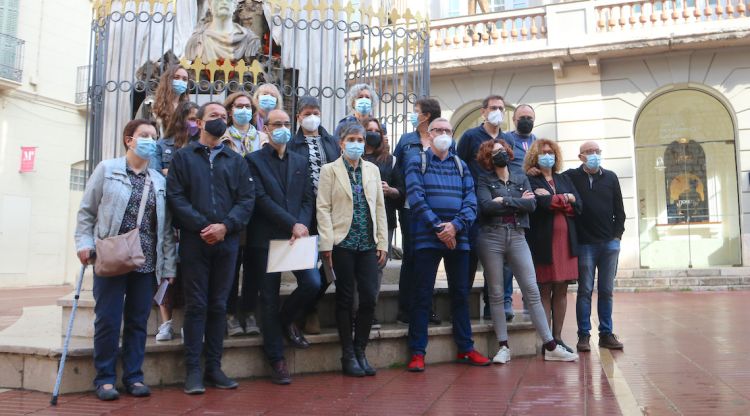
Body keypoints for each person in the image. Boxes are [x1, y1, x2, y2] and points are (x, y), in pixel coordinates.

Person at [75, 119, 177, 401]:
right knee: (107, 319)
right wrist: (84, 244)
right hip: (110, 256)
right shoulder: (107, 170)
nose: (150, 140)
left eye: (153, 136)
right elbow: (86, 212)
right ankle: (105, 378)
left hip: (145, 261)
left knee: (138, 321)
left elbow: (166, 229)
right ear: (128, 140)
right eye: (143, 135)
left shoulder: (158, 180)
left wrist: (168, 267)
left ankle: (133, 376)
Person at [167, 101, 255, 394]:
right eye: (213, 116)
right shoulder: (183, 157)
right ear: (200, 122)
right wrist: (203, 226)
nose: (220, 119)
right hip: (195, 242)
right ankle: (192, 371)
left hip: (227, 243)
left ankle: (214, 367)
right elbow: (176, 197)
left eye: (223, 116)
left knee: (219, 305)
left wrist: (225, 227)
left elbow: (246, 199)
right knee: (196, 306)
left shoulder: (236, 160)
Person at [474, 139, 578, 364]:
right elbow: (486, 206)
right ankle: (503, 346)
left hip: (518, 234)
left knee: (531, 288)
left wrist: (504, 200)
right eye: (494, 153)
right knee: (496, 291)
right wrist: (517, 201)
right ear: (487, 158)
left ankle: (550, 345)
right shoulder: (483, 179)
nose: (500, 155)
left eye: (502, 151)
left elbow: (531, 206)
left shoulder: (521, 177)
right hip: (491, 236)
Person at [404, 117, 490, 372]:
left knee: (461, 294)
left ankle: (466, 348)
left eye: (447, 130)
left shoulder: (461, 165)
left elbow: (471, 202)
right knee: (422, 295)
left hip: (459, 239)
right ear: (429, 135)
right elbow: (416, 198)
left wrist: (455, 226)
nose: (443, 133)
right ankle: (417, 352)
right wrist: (440, 227)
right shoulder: (416, 161)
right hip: (427, 239)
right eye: (438, 130)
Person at [246, 109, 321, 385]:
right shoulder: (253, 160)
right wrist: (293, 224)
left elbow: (307, 199)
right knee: (268, 296)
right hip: (267, 238)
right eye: (277, 124)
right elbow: (260, 199)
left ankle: (284, 320)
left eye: (287, 124)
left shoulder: (300, 160)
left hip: (296, 238)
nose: (283, 128)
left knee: (312, 283)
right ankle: (276, 358)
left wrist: (300, 226)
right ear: (266, 128)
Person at [317, 122, 388, 377]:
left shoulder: (372, 170)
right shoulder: (330, 171)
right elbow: (323, 207)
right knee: (346, 298)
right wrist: (326, 243)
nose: (357, 143)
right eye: (352, 139)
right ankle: (347, 354)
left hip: (368, 243)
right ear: (341, 143)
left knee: (369, 297)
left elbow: (379, 206)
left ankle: (361, 349)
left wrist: (382, 241)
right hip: (342, 242)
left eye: (360, 139)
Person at [564, 141, 626, 352]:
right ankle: (583, 336)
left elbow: (620, 210)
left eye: (597, 152)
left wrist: (617, 237)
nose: (594, 155)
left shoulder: (610, 177)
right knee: (585, 291)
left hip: (609, 244)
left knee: (607, 291)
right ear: (580, 156)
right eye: (589, 152)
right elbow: (550, 176)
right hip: (585, 245)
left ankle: (606, 334)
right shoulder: (571, 176)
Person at [287, 95, 341, 335]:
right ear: (298, 117)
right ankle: (304, 312)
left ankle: (312, 305)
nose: (312, 117)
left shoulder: (331, 141)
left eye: (315, 113)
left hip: (330, 212)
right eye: (307, 113)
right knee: (307, 268)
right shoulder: (291, 144)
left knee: (331, 265)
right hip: (304, 214)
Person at [456, 95, 511, 321]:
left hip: (500, 209)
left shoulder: (508, 139)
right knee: (468, 259)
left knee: (498, 261)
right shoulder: (470, 136)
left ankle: (494, 306)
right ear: (483, 112)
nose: (497, 111)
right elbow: (458, 165)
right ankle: (462, 309)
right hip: (474, 208)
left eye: (501, 108)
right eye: (493, 108)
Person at [525, 139, 582, 353]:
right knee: (544, 288)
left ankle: (558, 338)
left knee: (562, 290)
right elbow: (540, 205)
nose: (548, 155)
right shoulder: (531, 179)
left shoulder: (564, 178)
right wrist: (565, 200)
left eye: (551, 152)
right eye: (543, 152)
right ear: (535, 156)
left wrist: (557, 199)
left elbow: (579, 205)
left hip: (567, 242)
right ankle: (546, 340)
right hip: (543, 242)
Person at [150, 101, 199, 343]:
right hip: (167, 212)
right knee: (166, 269)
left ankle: (187, 322)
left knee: (190, 271)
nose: (194, 123)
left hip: (192, 212)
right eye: (190, 118)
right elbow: (156, 174)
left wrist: (174, 174)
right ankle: (166, 322)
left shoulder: (200, 145)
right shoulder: (163, 145)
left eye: (196, 119)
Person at [392, 97, 444, 325]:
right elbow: (397, 172)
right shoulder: (406, 140)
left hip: (436, 209)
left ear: (426, 116)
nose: (413, 115)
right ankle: (405, 309)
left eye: (416, 112)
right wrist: (401, 193)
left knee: (429, 259)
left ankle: (427, 308)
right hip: (410, 208)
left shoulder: (441, 140)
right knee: (411, 258)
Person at [221, 91, 267, 337]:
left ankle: (249, 312)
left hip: (259, 211)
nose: (244, 110)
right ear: (230, 110)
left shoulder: (263, 138)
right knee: (232, 264)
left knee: (255, 266)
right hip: (233, 209)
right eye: (239, 106)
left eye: (248, 106)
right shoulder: (224, 137)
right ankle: (229, 315)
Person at [362, 117, 405, 328]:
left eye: (376, 130)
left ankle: (369, 311)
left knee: (378, 266)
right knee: (357, 268)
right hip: (358, 221)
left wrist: (391, 191)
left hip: (384, 221)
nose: (372, 133)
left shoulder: (391, 160)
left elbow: (402, 191)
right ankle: (356, 312)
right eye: (368, 130)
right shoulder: (353, 156)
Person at [184, 0, 261, 62]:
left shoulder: (250, 40)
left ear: (234, 5)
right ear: (210, 5)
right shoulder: (196, 40)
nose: (224, 2)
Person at [152, 101, 199, 175]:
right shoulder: (161, 145)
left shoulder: (202, 146)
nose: (195, 124)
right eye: (192, 119)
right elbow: (155, 175)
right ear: (180, 120)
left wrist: (170, 172)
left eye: (198, 120)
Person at [150, 65, 190, 136]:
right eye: (176, 77)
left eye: (184, 79)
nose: (180, 81)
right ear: (168, 80)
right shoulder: (151, 103)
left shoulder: (188, 107)